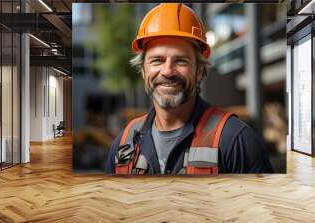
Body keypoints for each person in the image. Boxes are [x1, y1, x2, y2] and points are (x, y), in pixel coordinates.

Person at [106, 3, 273, 174]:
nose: (168, 71)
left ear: (200, 71)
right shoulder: (123, 145)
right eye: (157, 60)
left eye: (181, 61)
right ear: (143, 70)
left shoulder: (236, 140)